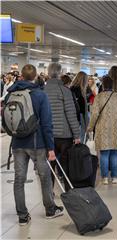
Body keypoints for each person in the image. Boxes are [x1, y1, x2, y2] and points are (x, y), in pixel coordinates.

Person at [6, 64, 64, 225]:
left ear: (22, 77)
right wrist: (51, 148)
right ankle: (50, 210)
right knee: (44, 177)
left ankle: (22, 216)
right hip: (37, 144)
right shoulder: (40, 95)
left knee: (19, 179)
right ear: (36, 76)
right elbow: (46, 124)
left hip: (17, 143)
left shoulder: (11, 94)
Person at [44, 63, 81, 191]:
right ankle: (68, 191)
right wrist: (77, 135)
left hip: (47, 136)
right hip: (64, 135)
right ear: (60, 74)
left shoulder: (42, 91)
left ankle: (49, 194)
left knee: (49, 166)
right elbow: (71, 114)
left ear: (48, 74)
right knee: (65, 165)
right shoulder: (65, 91)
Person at [88, 75, 117, 185]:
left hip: (103, 129)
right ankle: (115, 177)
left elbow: (94, 114)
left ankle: (105, 178)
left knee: (104, 154)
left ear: (103, 85)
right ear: (112, 85)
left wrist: (90, 127)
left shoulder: (99, 97)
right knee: (115, 153)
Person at [71, 71, 88, 143]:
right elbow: (82, 107)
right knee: (81, 137)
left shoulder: (71, 89)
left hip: (72, 115)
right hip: (79, 116)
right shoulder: (79, 91)